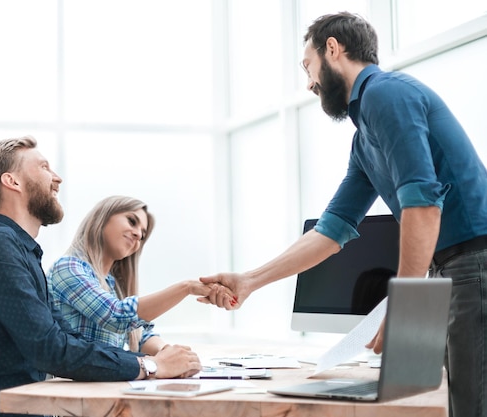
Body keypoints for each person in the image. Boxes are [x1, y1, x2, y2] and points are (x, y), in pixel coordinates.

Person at [200, 12, 487, 417]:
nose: (309, 82)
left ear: (332, 49)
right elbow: (331, 231)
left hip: (475, 261)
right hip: (450, 269)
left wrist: (404, 309)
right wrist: (250, 281)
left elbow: (422, 204)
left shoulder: (386, 94)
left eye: (308, 65)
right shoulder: (364, 137)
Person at [0, 136, 202, 417]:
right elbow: (50, 349)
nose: (57, 178)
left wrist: (151, 361)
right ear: (13, 182)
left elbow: (64, 338)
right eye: (44, 167)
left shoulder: (20, 250)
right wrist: (152, 367)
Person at [47, 195, 214, 355]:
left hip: (103, 382)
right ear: (102, 218)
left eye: (143, 234)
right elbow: (116, 317)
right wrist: (187, 288)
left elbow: (141, 335)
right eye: (132, 221)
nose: (138, 235)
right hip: (70, 384)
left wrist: (168, 353)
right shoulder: (68, 267)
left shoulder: (113, 285)